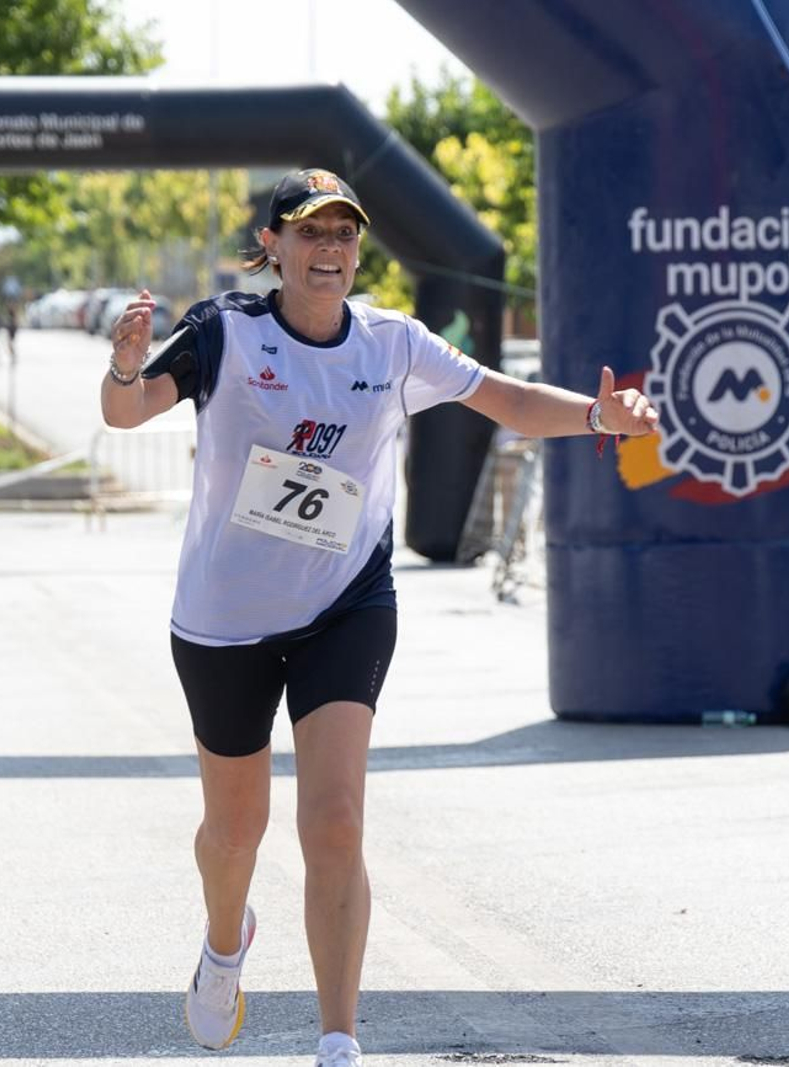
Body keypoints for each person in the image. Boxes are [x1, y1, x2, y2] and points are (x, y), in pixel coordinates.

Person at [98, 167, 658, 1067]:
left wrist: (600, 414)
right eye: (310, 234)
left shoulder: (393, 344)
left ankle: (338, 1039)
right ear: (272, 248)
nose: (330, 251)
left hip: (344, 605)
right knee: (235, 832)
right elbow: (127, 413)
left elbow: (506, 401)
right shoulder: (223, 333)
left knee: (336, 821)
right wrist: (126, 365)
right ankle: (224, 940)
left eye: (345, 235)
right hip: (224, 620)